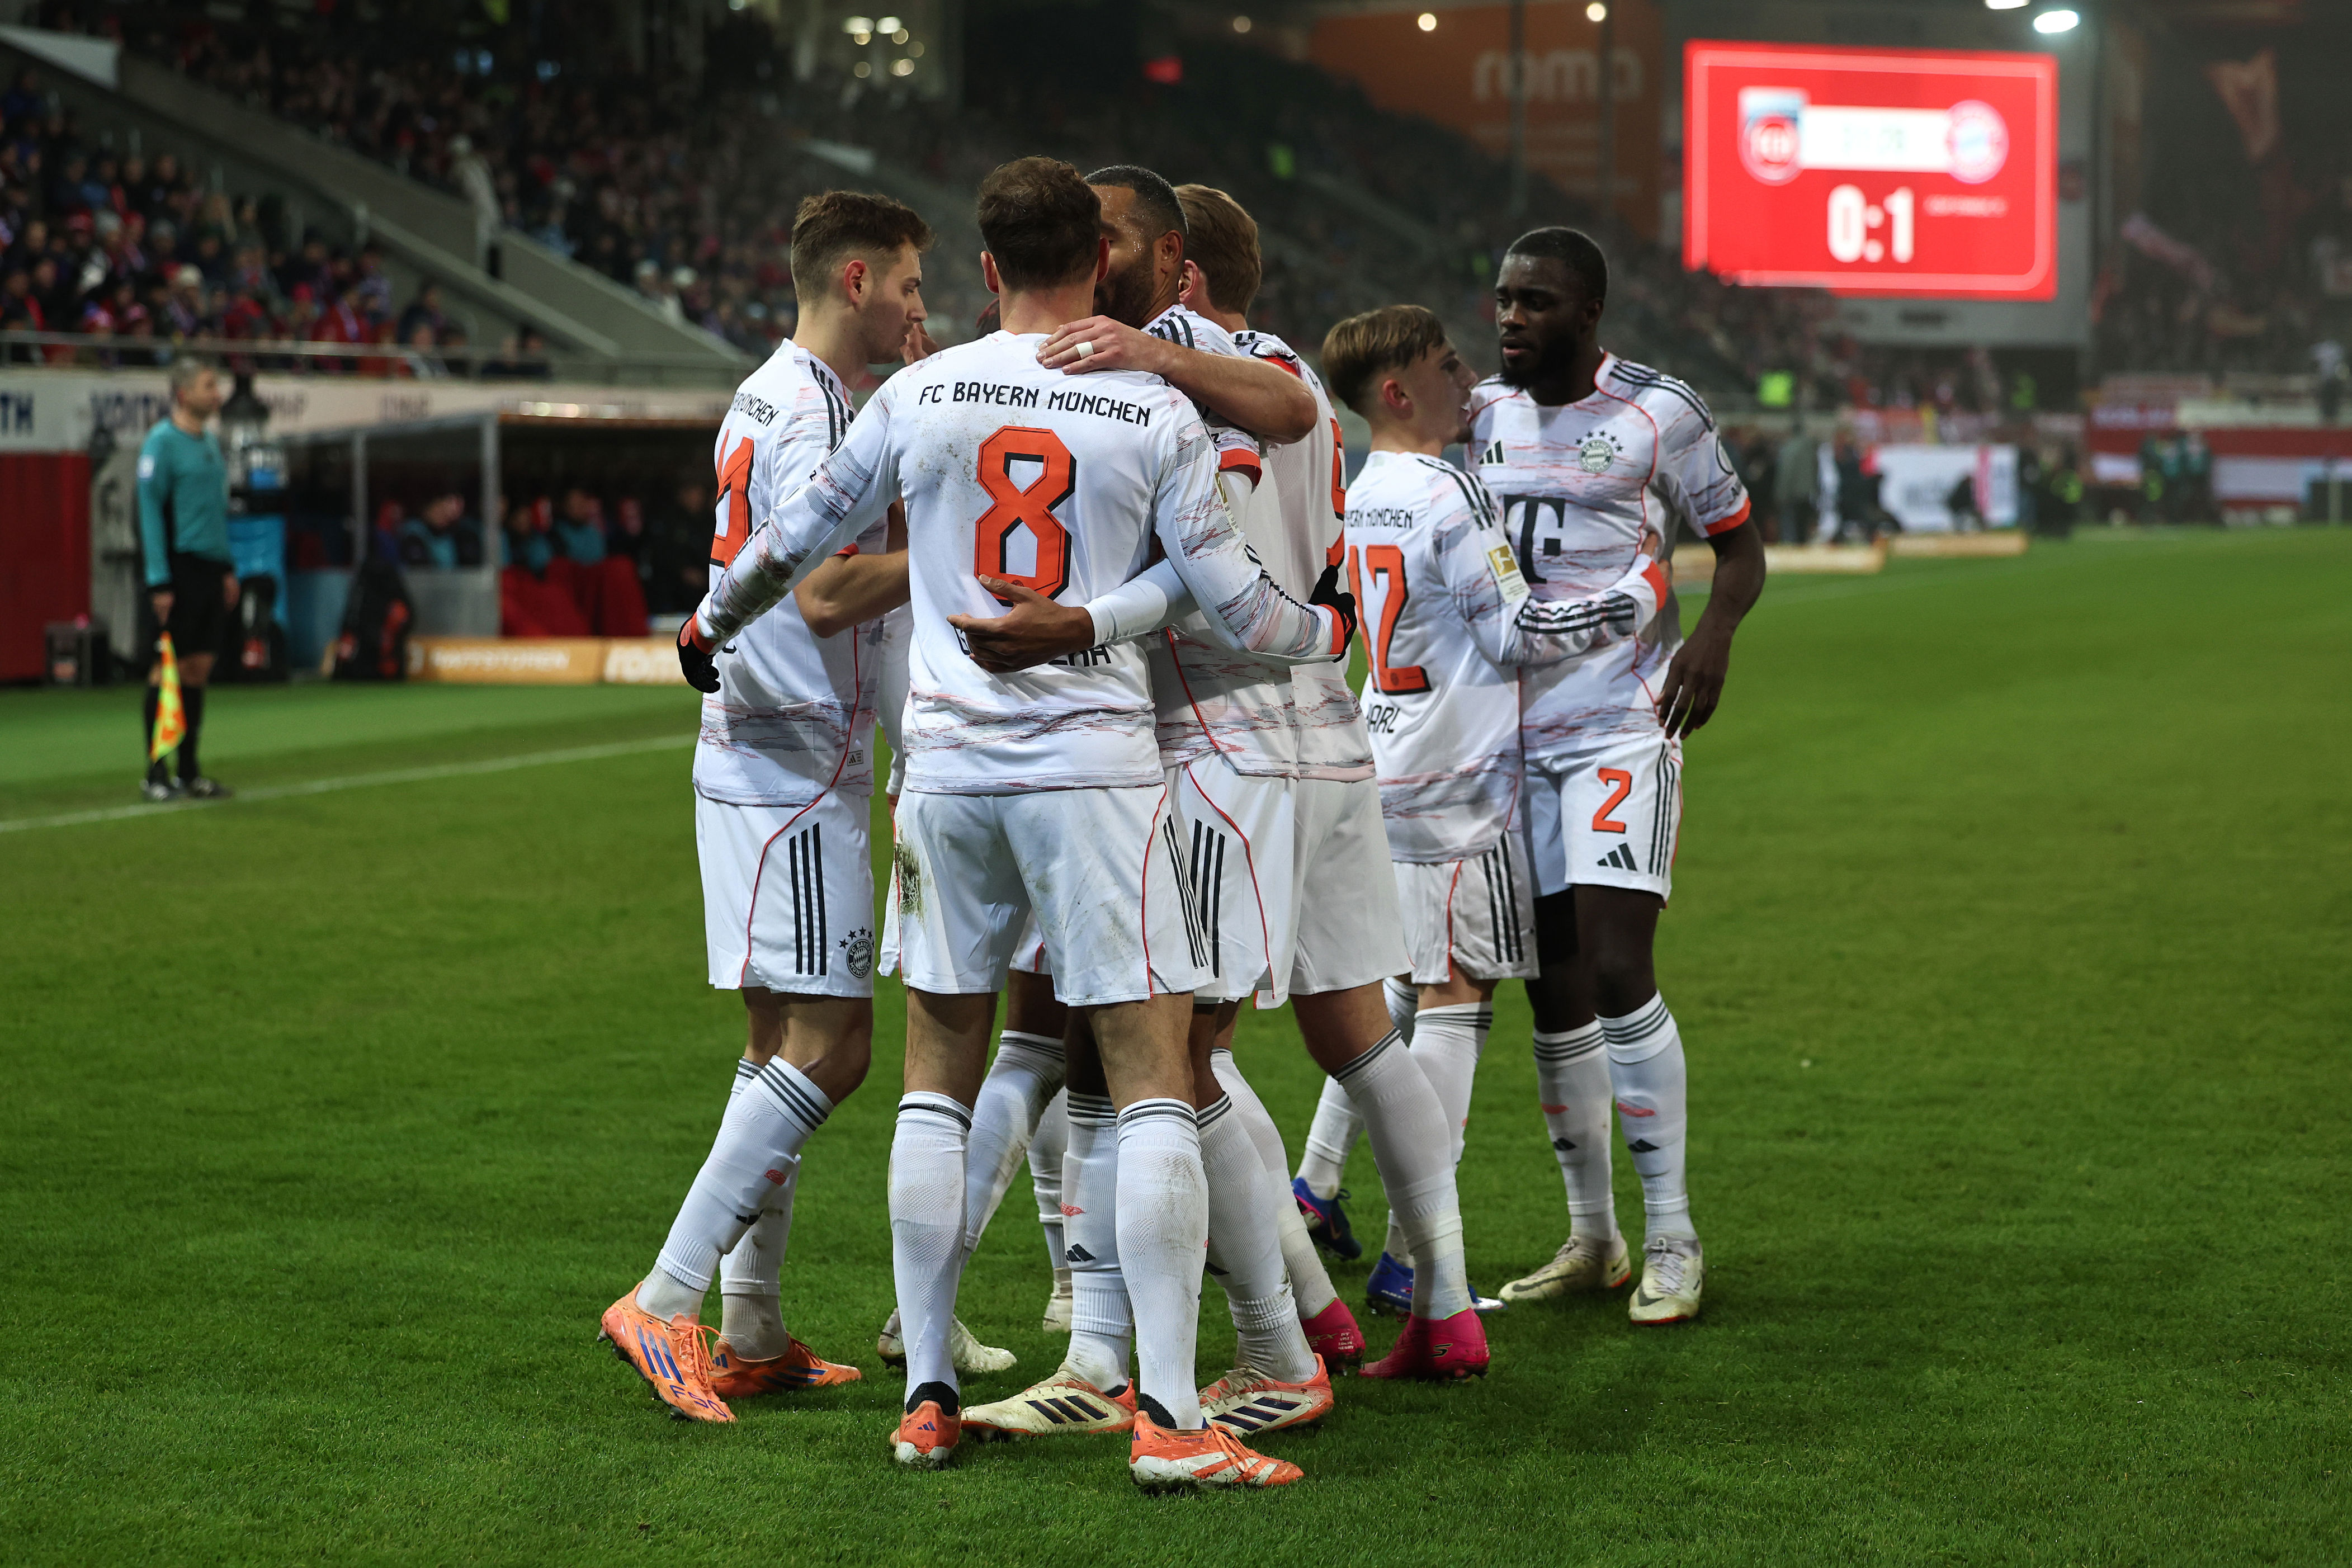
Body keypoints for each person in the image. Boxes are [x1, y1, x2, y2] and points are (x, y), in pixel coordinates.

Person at [678, 155, 1350, 1489]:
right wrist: (1327, 630)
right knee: (1149, 1072)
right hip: (1094, 773)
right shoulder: (1146, 401)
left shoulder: (918, 392)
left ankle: (925, 1395)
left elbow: (797, 535)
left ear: (986, 270)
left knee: (937, 1072)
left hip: (945, 773)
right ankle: (1169, 1418)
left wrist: (708, 624)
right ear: (1097, 264)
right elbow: (1234, 602)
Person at [953, 177, 1488, 1387]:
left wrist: (1083, 621)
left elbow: (1218, 561)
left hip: (1219, 736)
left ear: (1176, 262)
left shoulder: (1169, 361)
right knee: (1357, 1032)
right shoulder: (1276, 361)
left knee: (1174, 1053)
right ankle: (1441, 1306)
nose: (1095, 257)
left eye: (1114, 239)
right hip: (1326, 735)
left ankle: (1277, 1330)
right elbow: (1296, 427)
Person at [597, 190, 936, 1421]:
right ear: (855, 280)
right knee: (834, 1047)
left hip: (765, 749)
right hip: (794, 763)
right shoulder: (815, 410)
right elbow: (829, 593)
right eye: (908, 283)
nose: (919, 307)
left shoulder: (771, 392)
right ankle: (667, 1295)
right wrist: (952, 546)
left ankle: (749, 1326)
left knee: (773, 1044)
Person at [1315, 304, 1669, 1309]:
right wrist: (1636, 597)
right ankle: (1413, 1256)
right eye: (1445, 365)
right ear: (1397, 392)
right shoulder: (1447, 491)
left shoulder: (1359, 494)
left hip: (1387, 761)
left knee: (1409, 988)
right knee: (1453, 1002)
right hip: (1459, 783)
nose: (1466, 378)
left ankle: (1333, 1191)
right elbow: (1517, 633)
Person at [1468, 227, 1765, 1324]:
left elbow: (1740, 546)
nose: (1512, 317)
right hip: (1508, 734)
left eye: (1536, 301)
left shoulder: (1658, 411)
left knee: (1613, 965)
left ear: (1588, 313)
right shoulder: (1476, 416)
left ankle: (1673, 1234)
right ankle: (1592, 1235)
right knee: (1549, 981)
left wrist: (1714, 638)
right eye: (1505, 298)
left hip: (1621, 720)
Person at [136, 356, 237, 801]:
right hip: (179, 569)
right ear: (183, 394)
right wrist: (160, 580)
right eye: (209, 386)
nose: (217, 394)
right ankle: (156, 772)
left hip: (210, 570)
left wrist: (227, 568)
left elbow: (215, 512)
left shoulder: (210, 443)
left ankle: (190, 772)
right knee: (167, 671)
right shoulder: (161, 443)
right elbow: (150, 514)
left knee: (197, 670)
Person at [396, 492, 483, 569]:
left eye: (444, 511)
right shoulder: (414, 531)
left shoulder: (455, 532)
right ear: (428, 508)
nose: (443, 515)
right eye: (438, 509)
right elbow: (419, 567)